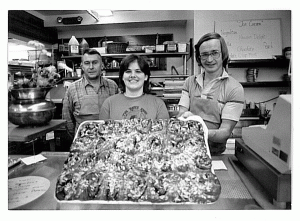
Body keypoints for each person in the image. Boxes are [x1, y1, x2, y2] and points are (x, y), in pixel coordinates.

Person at [177, 32, 244, 155]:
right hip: (187, 151)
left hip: (215, 154)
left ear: (223, 54)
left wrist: (198, 127)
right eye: (204, 55)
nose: (209, 59)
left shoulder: (234, 88)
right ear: (199, 57)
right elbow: (181, 116)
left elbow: (224, 132)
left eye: (214, 53)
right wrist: (184, 119)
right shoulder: (189, 82)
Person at [62, 49, 119, 139]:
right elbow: (67, 120)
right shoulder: (72, 89)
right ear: (82, 66)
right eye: (87, 63)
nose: (91, 67)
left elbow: (117, 116)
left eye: (95, 62)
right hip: (82, 141)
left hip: (108, 140)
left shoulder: (112, 86)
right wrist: (77, 137)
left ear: (102, 65)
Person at [99, 54, 169, 120]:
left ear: (146, 77)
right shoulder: (109, 104)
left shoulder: (159, 104)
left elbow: (164, 131)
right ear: (122, 77)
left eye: (138, 71)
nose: (133, 75)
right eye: (128, 71)